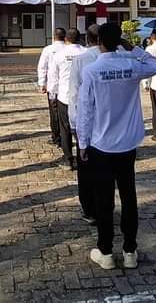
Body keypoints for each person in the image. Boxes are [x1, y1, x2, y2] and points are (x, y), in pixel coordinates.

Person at [77, 22, 156, 270]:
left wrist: (82, 142)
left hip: (101, 144)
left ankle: (105, 251)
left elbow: (86, 111)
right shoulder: (131, 65)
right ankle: (130, 250)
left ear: (99, 42)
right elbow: (155, 65)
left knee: (104, 200)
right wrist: (134, 48)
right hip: (127, 143)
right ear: (119, 41)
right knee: (129, 196)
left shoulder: (92, 70)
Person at [68, 24, 101, 224]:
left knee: (87, 168)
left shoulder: (81, 60)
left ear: (87, 39)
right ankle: (104, 206)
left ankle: (90, 209)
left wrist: (74, 122)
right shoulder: (120, 59)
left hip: (86, 121)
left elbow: (73, 94)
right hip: (109, 125)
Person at [51, 28, 86, 168]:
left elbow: (53, 76)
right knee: (82, 127)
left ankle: (68, 158)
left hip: (64, 96)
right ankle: (82, 155)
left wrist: (52, 94)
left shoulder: (59, 54)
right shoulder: (86, 53)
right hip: (83, 96)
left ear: (66, 39)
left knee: (64, 128)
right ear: (80, 38)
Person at [38, 28, 68, 147]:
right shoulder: (68, 49)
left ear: (53, 37)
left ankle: (56, 137)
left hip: (53, 87)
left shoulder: (48, 50)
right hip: (67, 87)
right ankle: (67, 137)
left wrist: (42, 83)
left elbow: (42, 67)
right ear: (65, 37)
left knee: (54, 112)